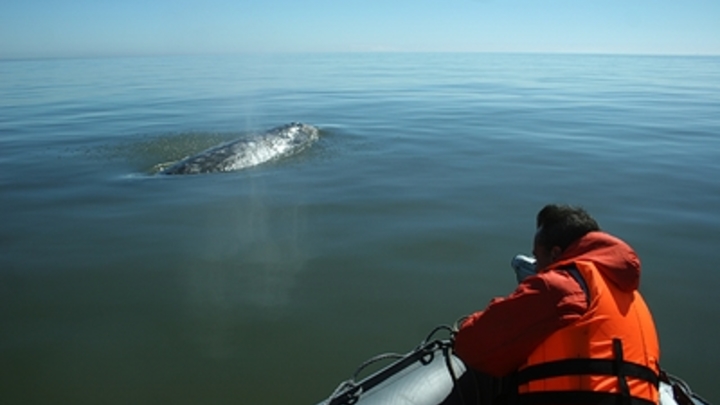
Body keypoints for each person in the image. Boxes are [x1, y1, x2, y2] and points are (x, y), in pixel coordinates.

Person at [454, 204, 661, 405]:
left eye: (537, 257)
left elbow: (472, 344)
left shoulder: (560, 287)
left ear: (554, 254)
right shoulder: (631, 296)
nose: (536, 267)